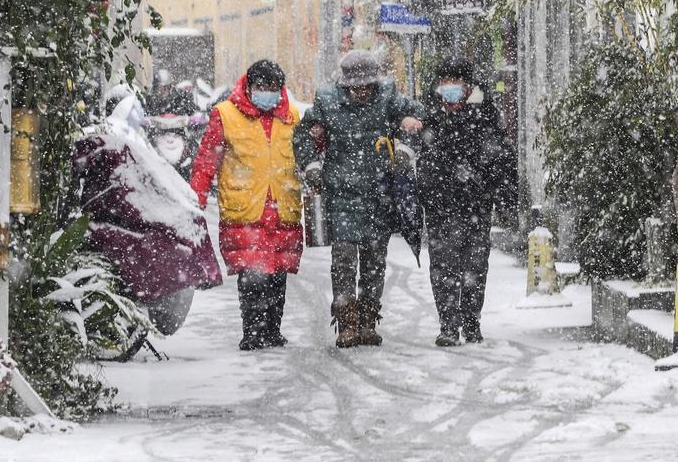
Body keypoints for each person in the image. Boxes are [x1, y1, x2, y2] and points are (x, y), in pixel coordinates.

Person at [293, 50, 423, 348]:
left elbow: (417, 117)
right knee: (343, 261)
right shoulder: (326, 101)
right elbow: (302, 135)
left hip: (380, 194)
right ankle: (347, 323)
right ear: (345, 83)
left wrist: (406, 146)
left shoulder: (388, 96)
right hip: (342, 195)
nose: (362, 92)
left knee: (375, 262)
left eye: (367, 86)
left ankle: (368, 321)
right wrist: (312, 166)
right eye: (356, 87)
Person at [190, 60, 303, 350]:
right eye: (261, 87)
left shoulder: (291, 116)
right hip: (245, 209)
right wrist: (196, 197)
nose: (268, 93)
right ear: (249, 87)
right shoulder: (226, 115)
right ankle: (253, 331)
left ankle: (273, 331)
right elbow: (206, 162)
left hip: (283, 208)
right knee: (252, 275)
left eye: (273, 88)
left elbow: (305, 154)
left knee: (278, 273)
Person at [417, 58, 517, 347]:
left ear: (468, 85)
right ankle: (448, 325)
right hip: (441, 206)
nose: (449, 87)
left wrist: (503, 196)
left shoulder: (485, 114)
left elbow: (501, 158)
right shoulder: (430, 116)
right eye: (444, 82)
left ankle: (472, 322)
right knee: (443, 267)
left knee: (475, 266)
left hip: (476, 204)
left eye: (455, 81)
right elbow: (423, 158)